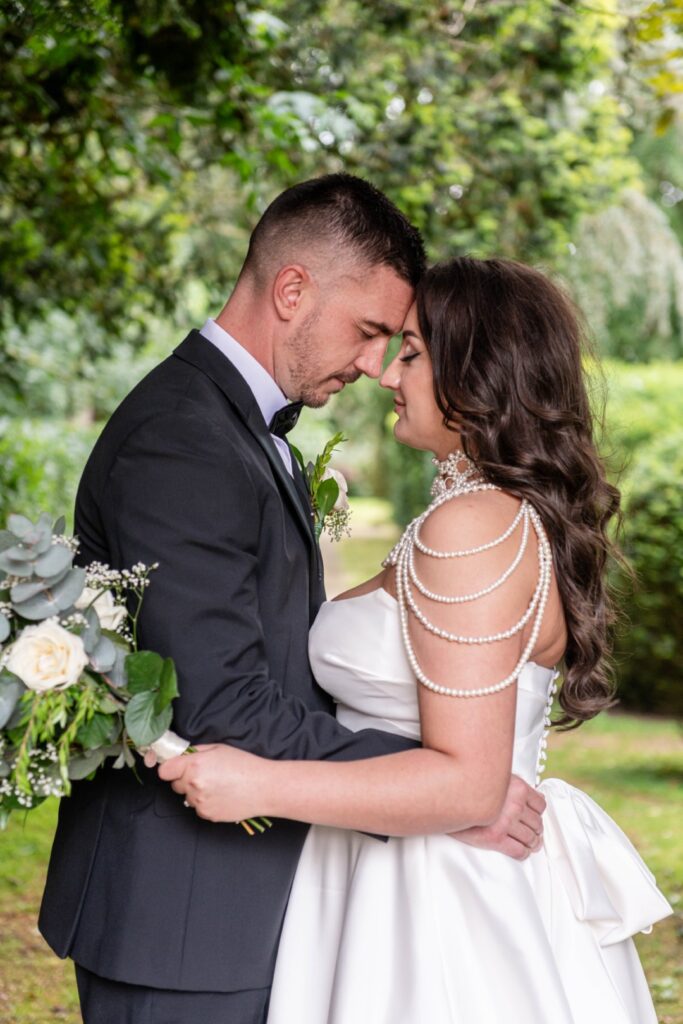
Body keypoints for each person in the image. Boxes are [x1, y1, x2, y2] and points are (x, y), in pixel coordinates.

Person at [38, 177, 545, 1024]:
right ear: (292, 290)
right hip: (185, 919)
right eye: (371, 331)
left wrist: (440, 786)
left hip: (245, 897)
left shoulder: (240, 426)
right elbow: (221, 701)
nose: (374, 364)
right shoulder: (183, 440)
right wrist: (446, 791)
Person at [160, 257, 672, 1023]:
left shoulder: (473, 526)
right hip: (393, 867)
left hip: (437, 900)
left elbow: (467, 788)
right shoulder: (479, 515)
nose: (384, 374)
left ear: (478, 371)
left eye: (409, 353)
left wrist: (256, 784)